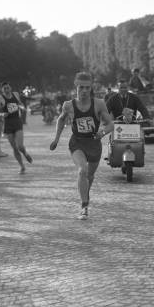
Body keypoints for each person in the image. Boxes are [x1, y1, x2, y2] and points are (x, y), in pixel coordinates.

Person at [49, 72, 114, 220]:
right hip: (77, 142)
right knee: (82, 170)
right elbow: (60, 120)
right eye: (81, 87)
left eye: (87, 87)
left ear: (91, 88)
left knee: (89, 176)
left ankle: (85, 195)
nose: (84, 90)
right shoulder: (68, 105)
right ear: (76, 87)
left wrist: (102, 132)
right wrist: (56, 139)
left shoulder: (98, 104)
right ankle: (84, 206)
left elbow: (110, 124)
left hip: (94, 144)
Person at [0, 82, 32, 174]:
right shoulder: (0, 99)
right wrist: (2, 114)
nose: (6, 90)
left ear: (10, 88)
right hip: (8, 124)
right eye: (4, 89)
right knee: (14, 148)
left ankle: (25, 153)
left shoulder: (15, 94)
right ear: (2, 90)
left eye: (8, 88)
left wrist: (22, 108)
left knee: (20, 146)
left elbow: (20, 104)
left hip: (17, 121)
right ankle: (22, 166)